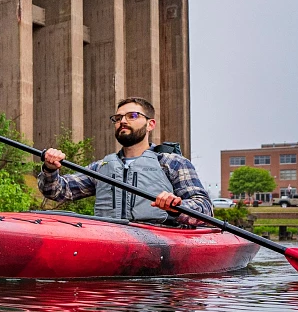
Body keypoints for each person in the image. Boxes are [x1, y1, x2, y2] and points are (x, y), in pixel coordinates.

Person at [38, 97, 213, 226]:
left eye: (132, 116)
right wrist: (50, 169)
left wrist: (178, 205)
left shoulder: (172, 162)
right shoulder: (101, 167)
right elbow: (57, 191)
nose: (123, 121)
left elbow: (204, 207)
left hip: (159, 240)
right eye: (118, 118)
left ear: (150, 124)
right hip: (110, 237)